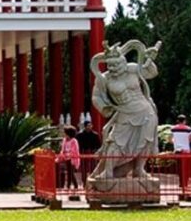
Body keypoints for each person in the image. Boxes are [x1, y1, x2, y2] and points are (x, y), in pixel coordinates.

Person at [89, 40, 160, 180]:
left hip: (145, 111)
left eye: (117, 64)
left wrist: (150, 59)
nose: (114, 68)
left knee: (145, 142)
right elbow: (96, 97)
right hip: (124, 112)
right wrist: (104, 108)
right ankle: (108, 171)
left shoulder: (133, 69)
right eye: (110, 65)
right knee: (115, 142)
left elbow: (151, 73)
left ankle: (139, 169)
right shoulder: (104, 79)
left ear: (123, 61)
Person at [56, 126, 81, 196]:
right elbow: (62, 149)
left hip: (72, 159)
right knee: (70, 172)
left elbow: (75, 151)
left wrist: (69, 155)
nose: (65, 135)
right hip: (66, 158)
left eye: (65, 133)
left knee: (70, 173)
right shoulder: (64, 140)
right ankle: (73, 186)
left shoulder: (74, 141)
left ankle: (69, 186)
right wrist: (61, 156)